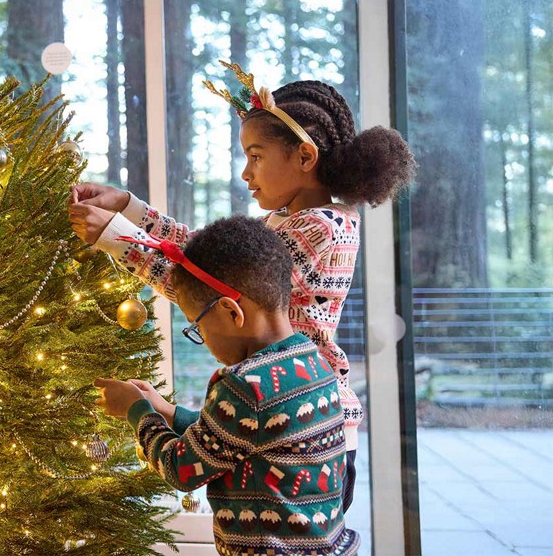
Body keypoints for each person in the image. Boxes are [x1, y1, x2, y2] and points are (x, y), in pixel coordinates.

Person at [71, 64, 415, 511]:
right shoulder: (288, 220)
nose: (245, 173)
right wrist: (130, 209)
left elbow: (214, 289)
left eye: (256, 156)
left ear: (305, 157)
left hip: (301, 417)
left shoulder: (322, 228)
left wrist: (115, 238)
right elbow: (208, 255)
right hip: (274, 409)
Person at [95, 216, 358, 556]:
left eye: (197, 327)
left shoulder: (244, 384)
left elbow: (182, 469)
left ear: (232, 312)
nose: (201, 339)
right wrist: (167, 411)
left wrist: (137, 411)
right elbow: (239, 437)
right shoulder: (312, 361)